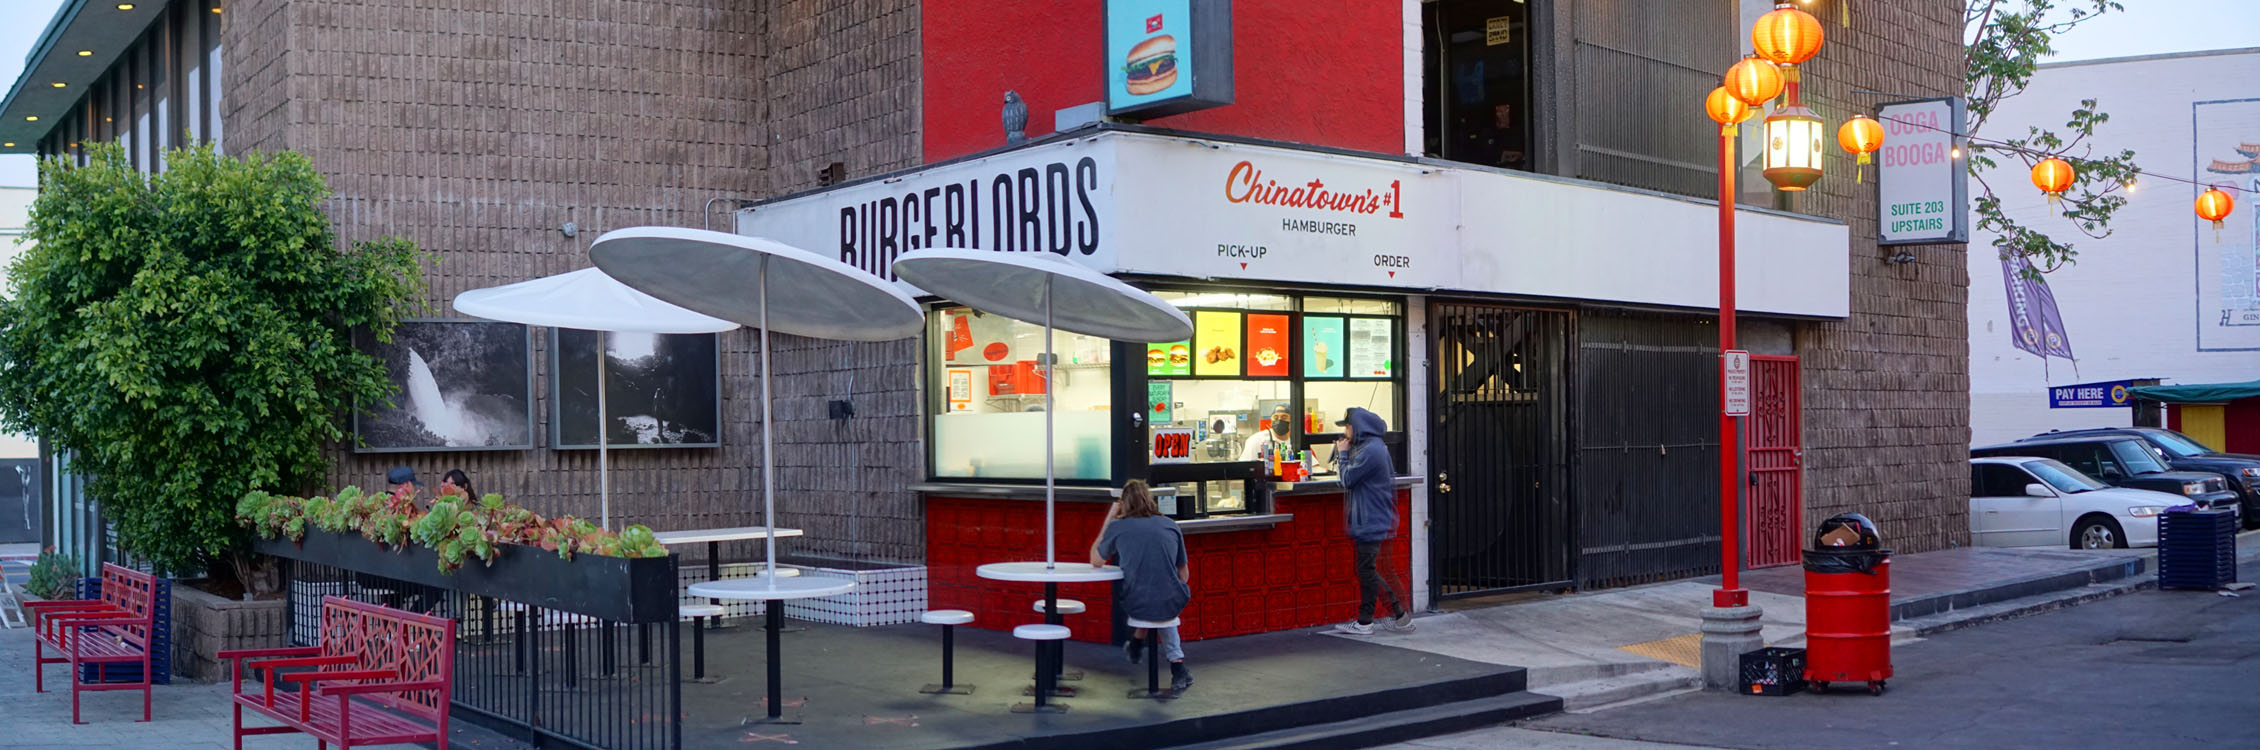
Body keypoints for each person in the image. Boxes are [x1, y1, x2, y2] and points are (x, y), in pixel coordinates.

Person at [1089, 480, 1194, 692]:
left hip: (1135, 600)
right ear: (1149, 500)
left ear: (1124, 504)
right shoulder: (1171, 525)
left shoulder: (1118, 527)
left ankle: (1138, 643)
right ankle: (1177, 666)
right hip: (1171, 600)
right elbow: (1184, 574)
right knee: (1163, 595)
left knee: (1152, 596)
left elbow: (1095, 560)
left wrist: (1109, 519)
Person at [1332, 407, 1414, 635]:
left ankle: (1382, 618)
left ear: (1357, 427)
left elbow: (1348, 479)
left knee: (1367, 570)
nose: (1345, 431)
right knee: (1367, 569)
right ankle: (1382, 617)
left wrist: (1343, 454)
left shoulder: (1372, 451)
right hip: (1372, 518)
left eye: (1347, 426)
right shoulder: (1372, 448)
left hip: (1372, 519)